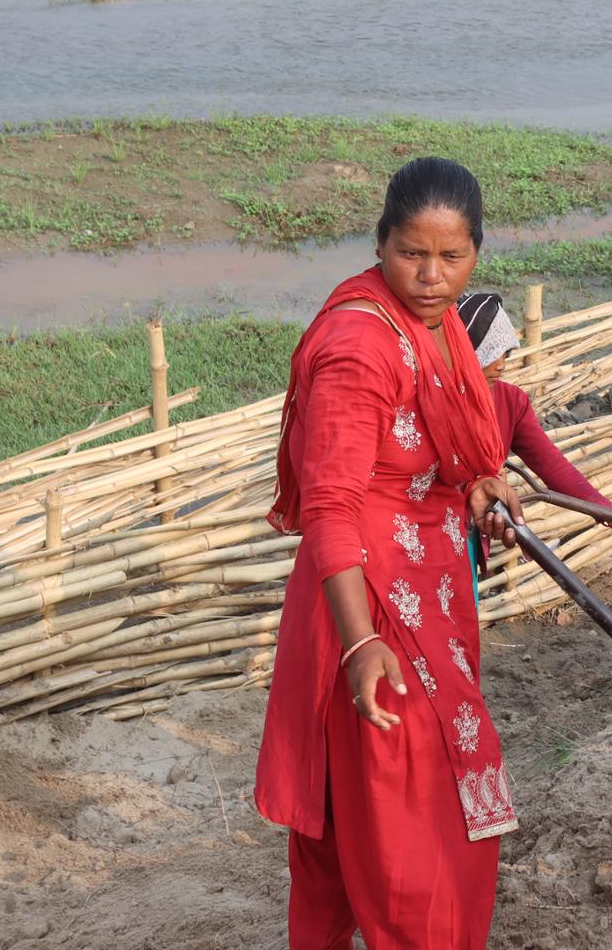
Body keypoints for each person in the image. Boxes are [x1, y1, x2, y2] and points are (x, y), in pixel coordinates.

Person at [255, 156, 526, 949]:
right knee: (402, 815)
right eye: (413, 254)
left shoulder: (436, 330)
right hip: (362, 603)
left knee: (381, 811)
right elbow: (329, 506)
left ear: (477, 251)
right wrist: (361, 642)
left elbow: (435, 454)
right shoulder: (358, 346)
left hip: (428, 592)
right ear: (379, 244)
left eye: (453, 256)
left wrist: (474, 488)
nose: (433, 276)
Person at [455, 292, 612, 546]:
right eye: (489, 353)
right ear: (462, 350)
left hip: (472, 536)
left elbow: (553, 467)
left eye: (505, 354)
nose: (501, 366)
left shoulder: (510, 401)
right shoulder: (434, 401)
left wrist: (610, 513)